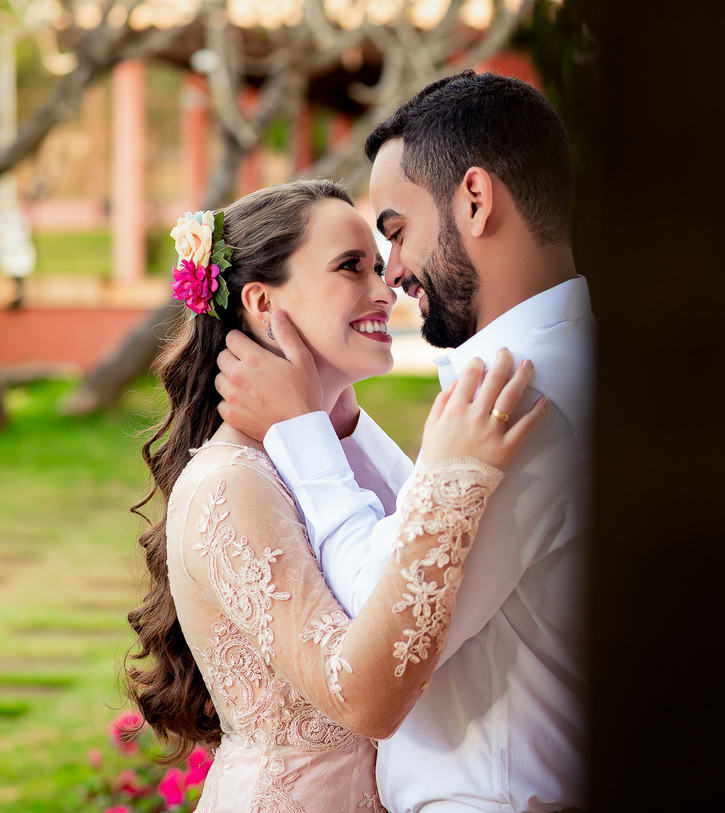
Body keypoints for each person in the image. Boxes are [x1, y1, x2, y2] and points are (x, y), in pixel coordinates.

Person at [214, 71, 593, 811]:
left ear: (475, 202)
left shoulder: (528, 396)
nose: (391, 274)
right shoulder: (556, 364)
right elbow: (423, 530)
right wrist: (344, 427)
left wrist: (302, 433)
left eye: (393, 231)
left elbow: (382, 612)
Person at [124, 178, 546, 812]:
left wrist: (330, 422)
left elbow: (393, 572)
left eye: (378, 265)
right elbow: (362, 696)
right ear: (263, 302)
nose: (385, 288)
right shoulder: (229, 483)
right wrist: (459, 482)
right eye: (352, 267)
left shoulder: (332, 450)